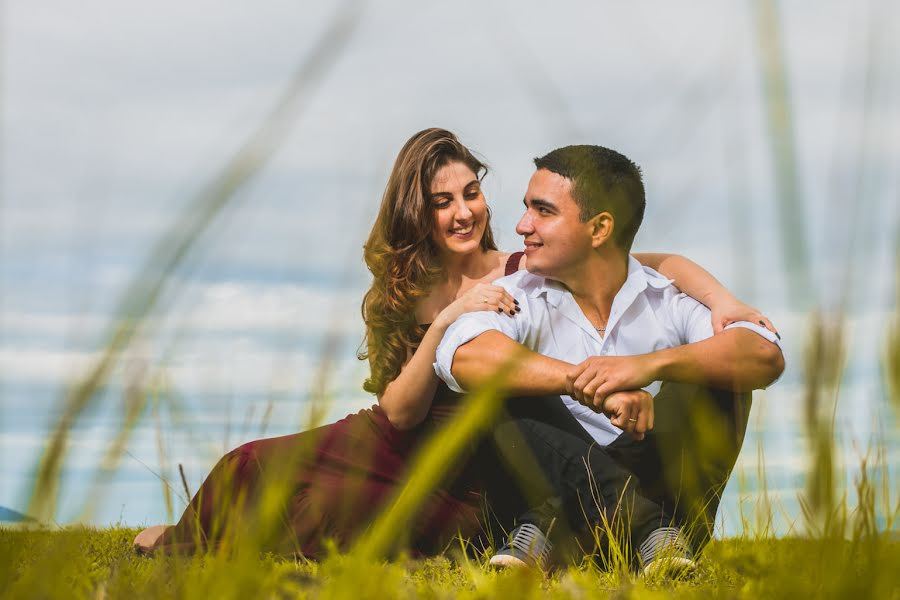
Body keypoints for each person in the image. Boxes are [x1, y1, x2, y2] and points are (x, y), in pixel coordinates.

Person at [134, 130, 776, 558]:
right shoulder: (397, 292)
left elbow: (651, 261)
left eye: (471, 193)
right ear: (418, 211)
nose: (464, 212)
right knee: (251, 465)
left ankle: (618, 530)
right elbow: (401, 411)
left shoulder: (520, 268)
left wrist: (720, 302)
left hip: (475, 452)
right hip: (395, 434)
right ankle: (185, 540)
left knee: (331, 512)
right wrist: (444, 321)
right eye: (443, 202)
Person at [433, 144, 784, 574]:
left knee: (717, 374)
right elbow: (463, 356)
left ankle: (581, 528)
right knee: (501, 382)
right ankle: (651, 529)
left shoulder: (666, 298)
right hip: (558, 511)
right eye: (527, 209)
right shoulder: (517, 295)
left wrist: (647, 366)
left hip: (583, 518)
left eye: (543, 211)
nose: (523, 225)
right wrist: (588, 385)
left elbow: (763, 354)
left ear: (599, 229)